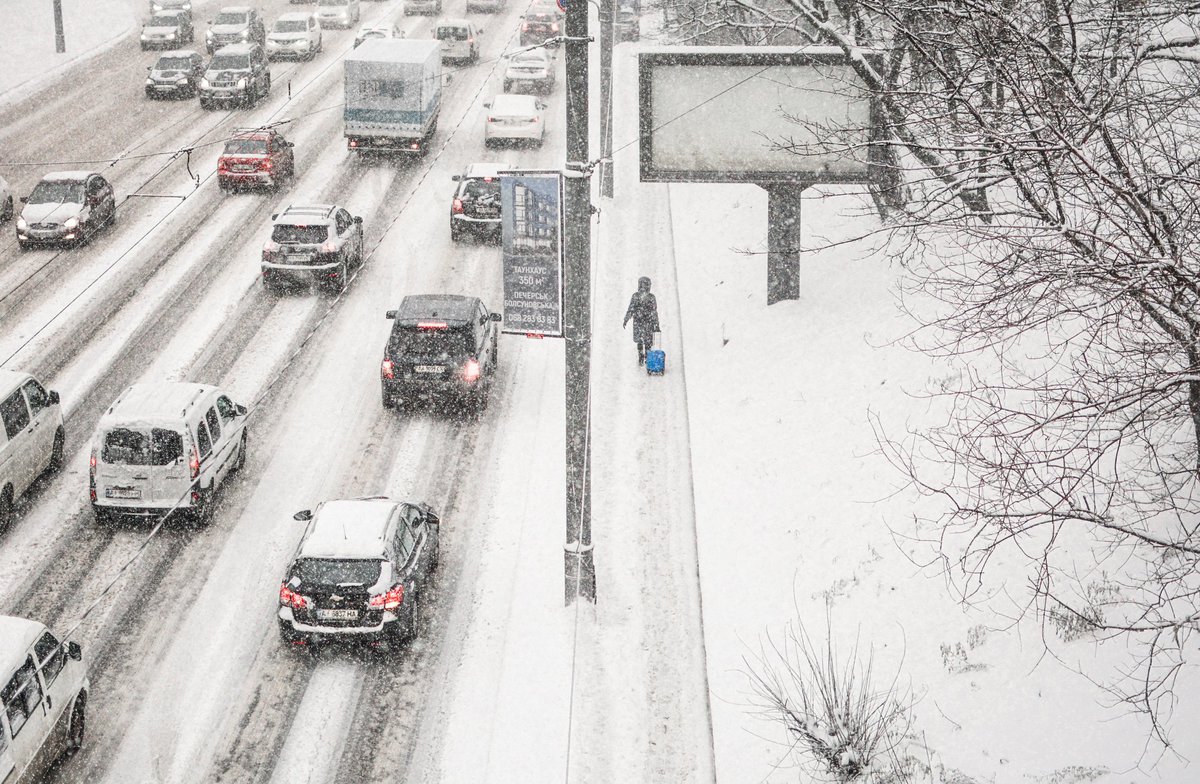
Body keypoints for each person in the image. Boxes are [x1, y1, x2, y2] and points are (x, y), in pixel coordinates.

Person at [622, 276, 660, 365]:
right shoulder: (651, 297)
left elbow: (631, 309)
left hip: (639, 321)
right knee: (647, 340)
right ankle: (646, 357)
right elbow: (654, 312)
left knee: (640, 340)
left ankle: (641, 356)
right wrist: (656, 324)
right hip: (648, 321)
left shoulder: (636, 296)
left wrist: (626, 319)